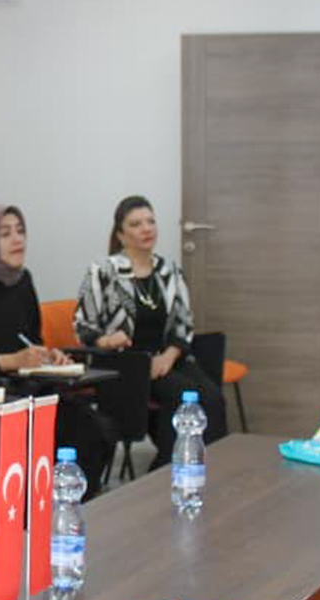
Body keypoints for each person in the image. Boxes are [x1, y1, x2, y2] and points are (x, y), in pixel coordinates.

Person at [0, 204, 113, 493]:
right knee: (52, 434)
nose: (17, 240)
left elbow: (31, 338)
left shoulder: (22, 279)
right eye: (5, 234)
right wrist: (10, 360)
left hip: (29, 388)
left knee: (95, 429)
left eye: (20, 231)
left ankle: (73, 506)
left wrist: (48, 355)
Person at [76, 195, 225, 465]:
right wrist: (107, 340)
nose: (146, 229)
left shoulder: (169, 271)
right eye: (136, 224)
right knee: (182, 395)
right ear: (121, 235)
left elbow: (184, 323)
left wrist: (168, 357)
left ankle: (209, 467)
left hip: (166, 358)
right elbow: (83, 326)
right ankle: (169, 468)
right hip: (126, 362)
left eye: (150, 222)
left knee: (212, 397)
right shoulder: (103, 272)